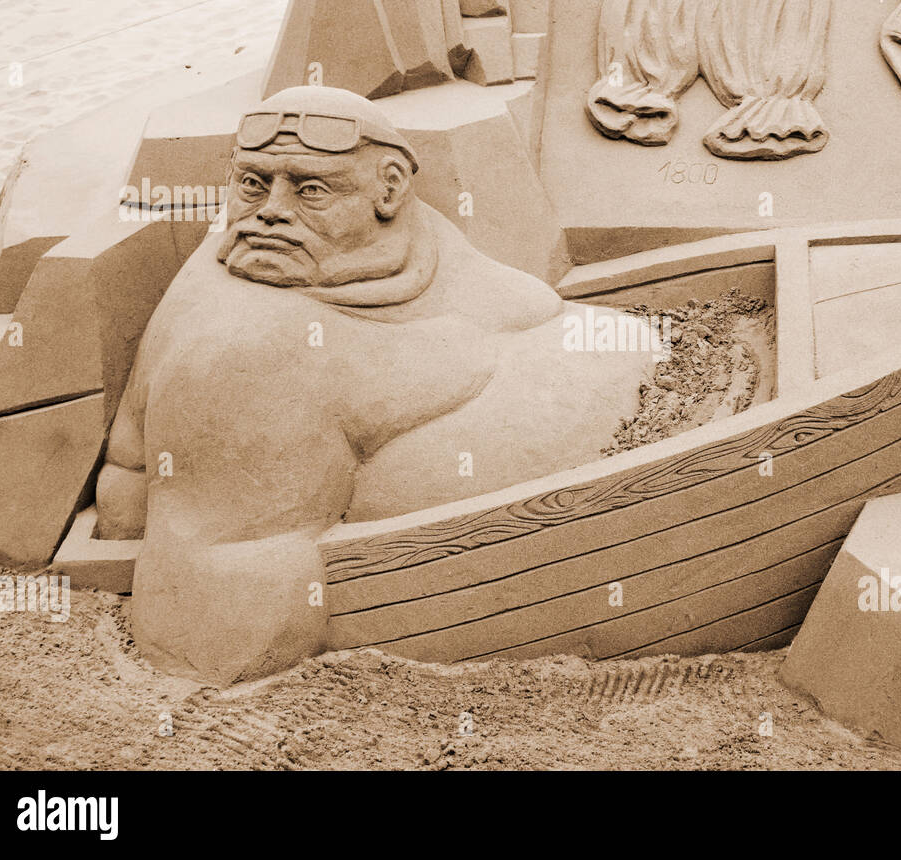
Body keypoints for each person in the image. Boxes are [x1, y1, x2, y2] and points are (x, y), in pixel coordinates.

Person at [97, 86, 649, 683]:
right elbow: (222, 602)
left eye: (311, 190)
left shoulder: (414, 242)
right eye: (252, 184)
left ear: (389, 192)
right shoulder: (248, 341)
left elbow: (527, 303)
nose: (270, 211)